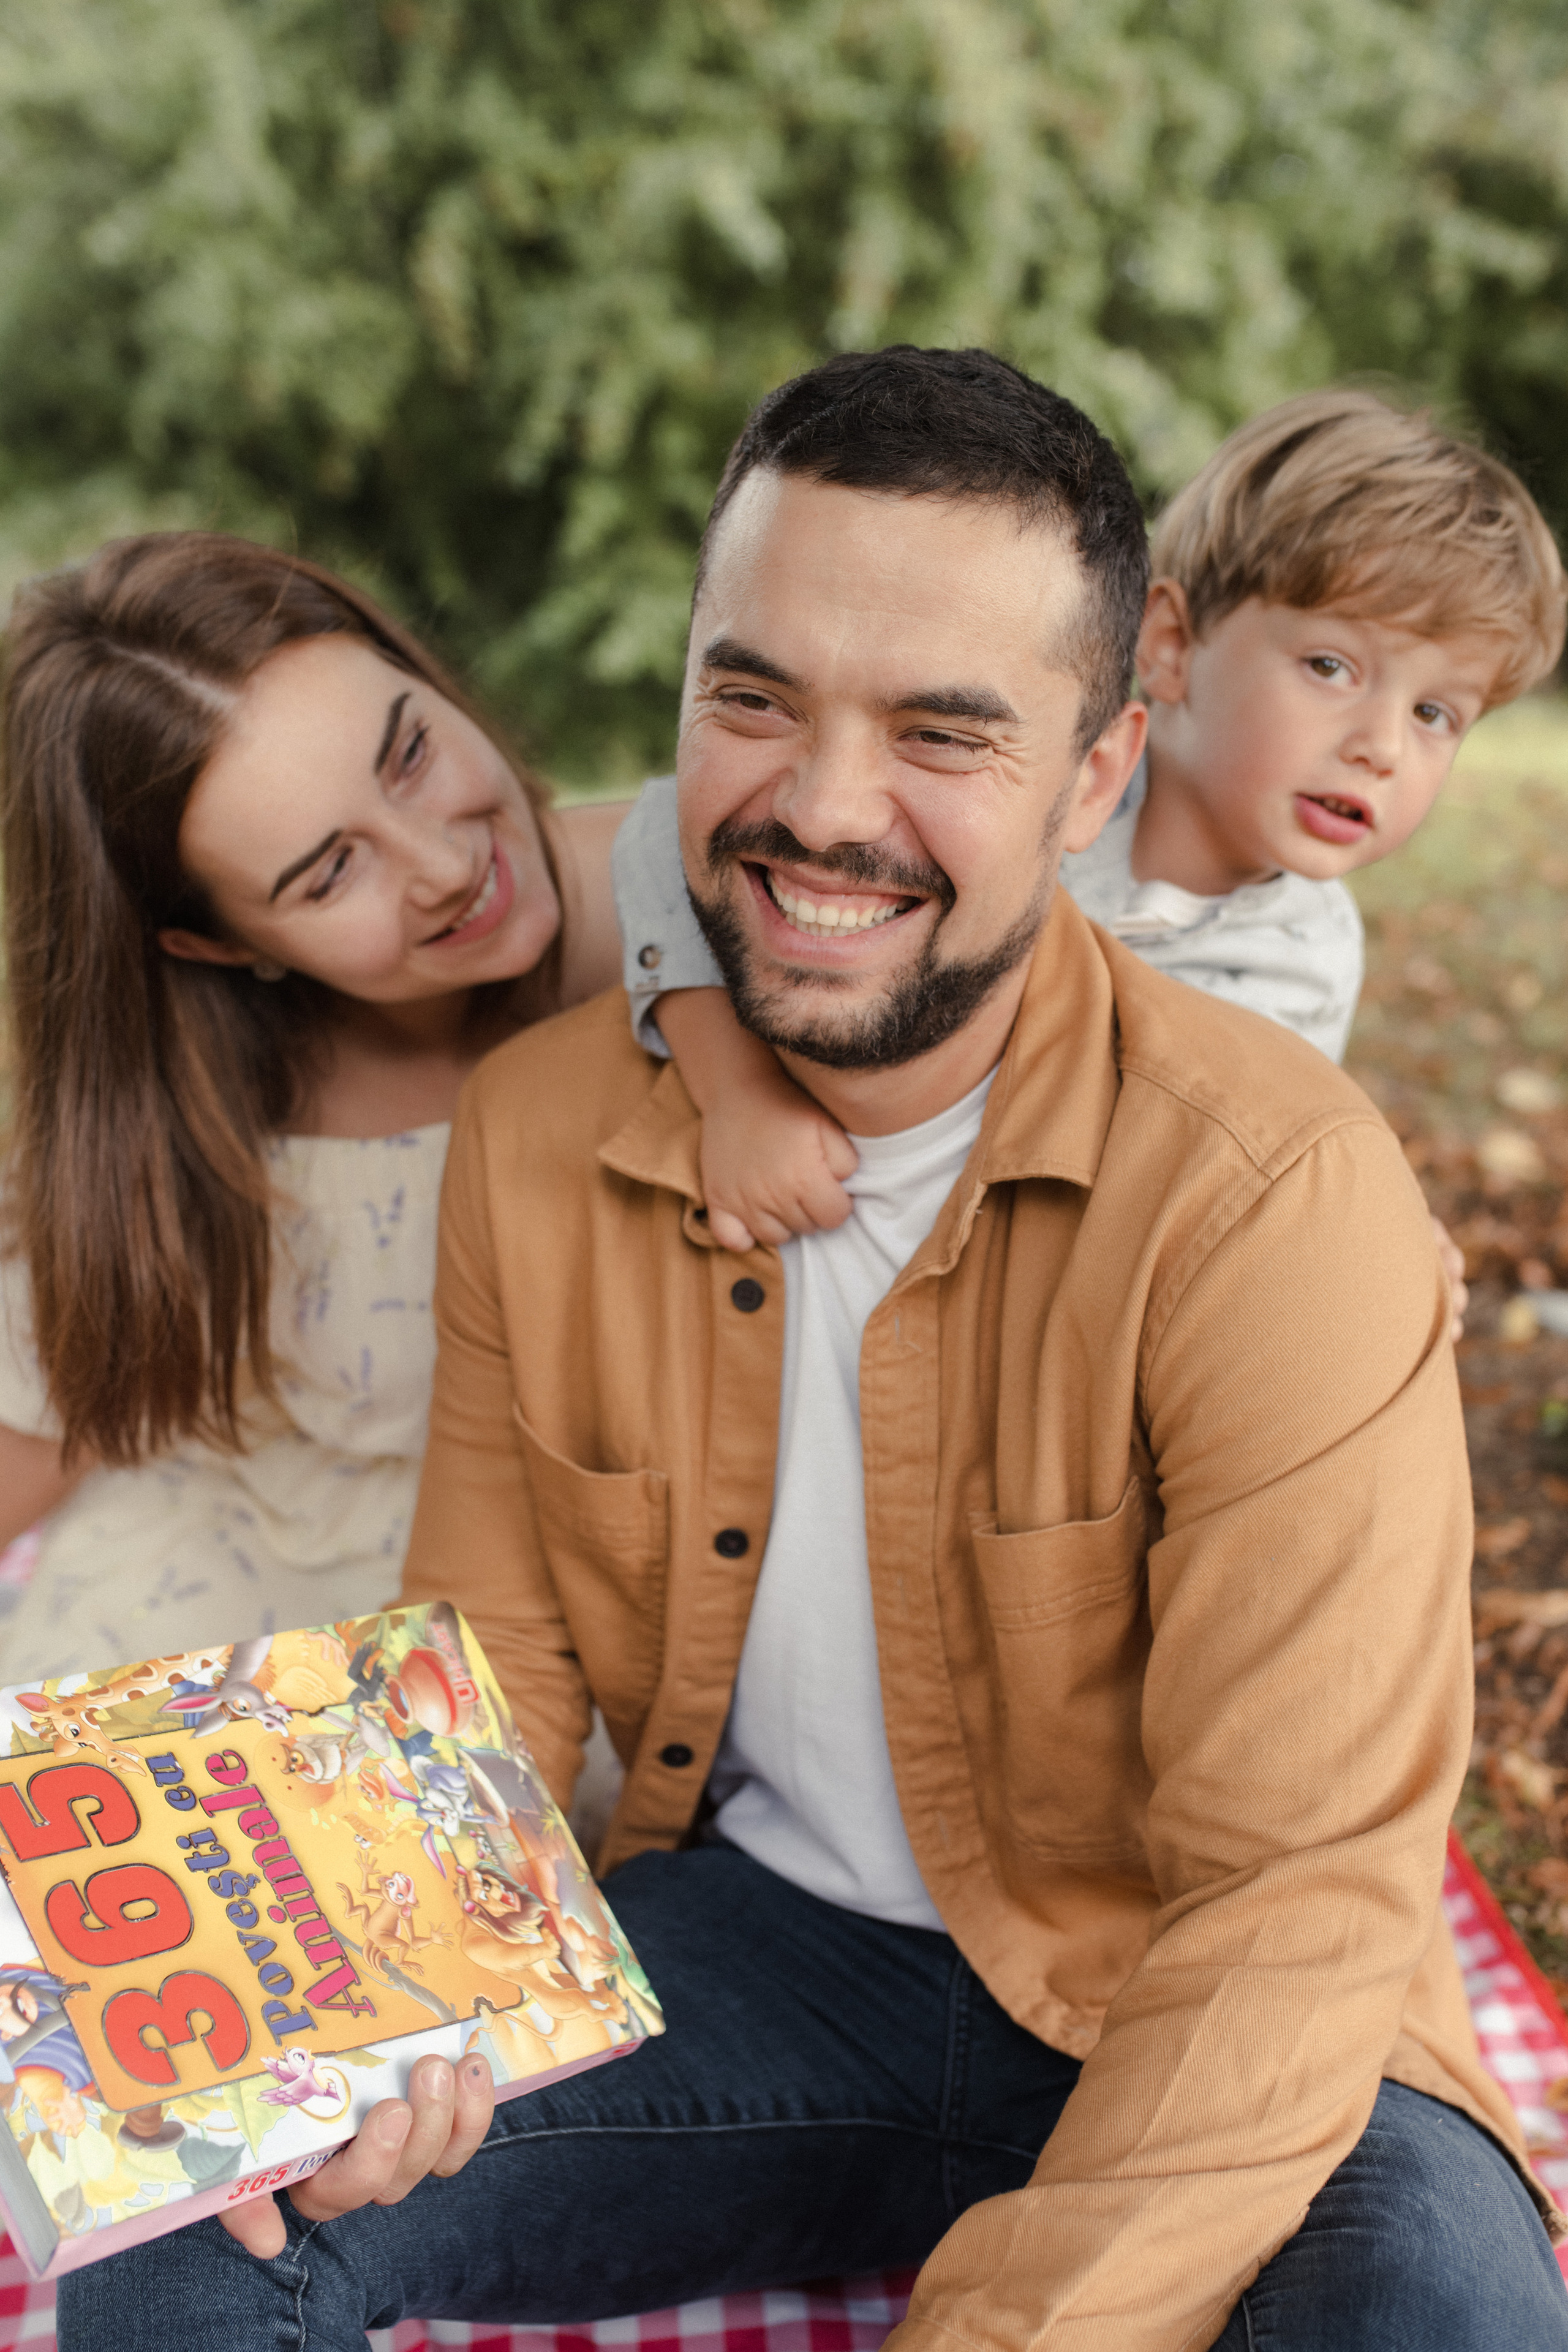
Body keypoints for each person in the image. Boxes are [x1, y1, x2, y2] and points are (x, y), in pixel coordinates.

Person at [62, 349, 1568, 2350]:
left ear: (1101, 771)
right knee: (200, 2240)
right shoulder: (540, 1128)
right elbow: (501, 1657)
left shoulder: (1279, 1189)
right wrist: (396, 2008)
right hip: (775, 1960)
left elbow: (1292, 1901)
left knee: (1450, 2330)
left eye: (946, 731)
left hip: (1220, 2000)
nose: (825, 809)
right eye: (754, 698)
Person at [609, 386, 1563, 1256]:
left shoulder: (1304, 959)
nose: (1382, 746)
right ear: (1172, 645)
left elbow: (1240, 1164)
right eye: (1330, 668)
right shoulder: (1022, 791)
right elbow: (666, 835)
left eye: (1435, 714)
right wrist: (735, 1093)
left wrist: (1377, 1236)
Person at [0, 533, 627, 1679]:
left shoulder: (698, 903)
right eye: (330, 872)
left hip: (532, 1665)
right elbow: (44, 1425)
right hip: (199, 1641)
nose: (440, 863)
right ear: (216, 944)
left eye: (411, 753)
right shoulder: (191, 1121)